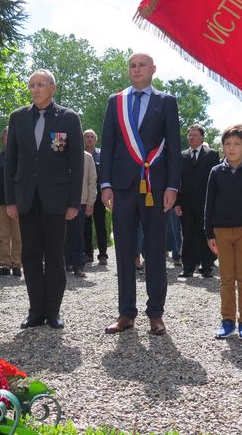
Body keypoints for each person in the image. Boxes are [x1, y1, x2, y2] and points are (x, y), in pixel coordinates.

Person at [100, 52, 181, 336]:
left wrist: (172, 187)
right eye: (132, 66)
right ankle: (126, 313)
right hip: (121, 188)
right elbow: (107, 145)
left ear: (153, 69)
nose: (136, 70)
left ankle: (155, 314)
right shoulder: (116, 101)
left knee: (156, 250)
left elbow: (173, 147)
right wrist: (105, 184)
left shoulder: (166, 102)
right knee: (124, 251)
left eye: (142, 65)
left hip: (156, 188)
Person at [5, 69, 84, 330]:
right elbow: (11, 161)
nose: (35, 89)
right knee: (29, 255)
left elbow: (76, 163)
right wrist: (11, 200)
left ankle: (53, 311)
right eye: (32, 85)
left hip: (56, 199)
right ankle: (35, 311)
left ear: (53, 88)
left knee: (53, 255)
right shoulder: (18, 117)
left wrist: (74, 202)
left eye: (40, 85)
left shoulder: (68, 118)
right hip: (26, 197)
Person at [205, 125, 242, 341]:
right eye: (227, 144)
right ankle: (227, 321)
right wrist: (209, 233)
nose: (231, 149)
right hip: (221, 230)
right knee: (226, 279)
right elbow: (209, 204)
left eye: (237, 144)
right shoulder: (216, 172)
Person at [175, 124, 220, 279]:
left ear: (202, 137)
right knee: (187, 234)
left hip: (206, 203)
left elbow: (216, 180)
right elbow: (178, 180)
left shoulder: (212, 154)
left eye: (194, 135)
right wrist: (177, 203)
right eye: (189, 135)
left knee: (205, 233)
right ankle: (188, 267)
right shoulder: (182, 156)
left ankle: (207, 266)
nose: (191, 137)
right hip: (186, 203)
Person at [0, 128, 22, 277]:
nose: (9, 140)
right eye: (6, 138)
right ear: (2, 140)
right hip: (0, 204)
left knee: (18, 235)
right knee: (2, 236)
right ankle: (5, 264)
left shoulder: (22, 158)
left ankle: (17, 264)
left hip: (18, 204)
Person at [65, 150, 97, 277]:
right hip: (61, 201)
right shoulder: (61, 152)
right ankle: (65, 263)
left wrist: (90, 202)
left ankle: (78, 265)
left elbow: (92, 180)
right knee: (63, 234)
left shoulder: (87, 157)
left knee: (77, 234)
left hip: (81, 201)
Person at [83, 129, 109, 266]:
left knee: (100, 224)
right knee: (85, 225)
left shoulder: (102, 155)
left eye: (91, 137)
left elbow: (106, 173)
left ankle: (103, 254)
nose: (89, 139)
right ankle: (88, 253)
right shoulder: (80, 155)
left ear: (96, 139)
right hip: (85, 194)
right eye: (87, 137)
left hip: (99, 193)